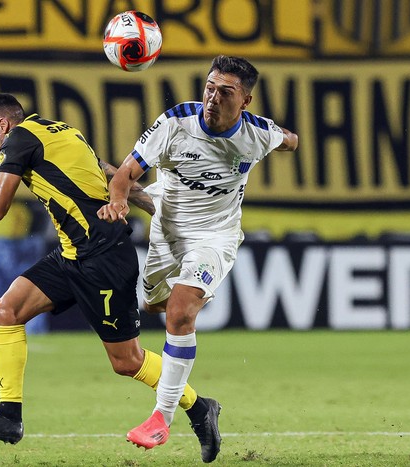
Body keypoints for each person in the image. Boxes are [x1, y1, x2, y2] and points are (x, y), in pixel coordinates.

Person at [0, 93, 222, 458]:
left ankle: (199, 407)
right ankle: (9, 415)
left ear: (2, 126)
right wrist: (155, 207)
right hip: (72, 254)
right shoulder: (60, 131)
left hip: (102, 258)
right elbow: (111, 175)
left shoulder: (20, 140)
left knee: (127, 361)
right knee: (6, 311)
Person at [98, 55, 299, 462]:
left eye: (226, 92)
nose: (213, 97)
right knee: (153, 305)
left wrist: (287, 138)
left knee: (179, 313)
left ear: (246, 100)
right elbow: (123, 174)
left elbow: (290, 140)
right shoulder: (175, 123)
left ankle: (161, 418)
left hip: (215, 237)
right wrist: (119, 199)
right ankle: (203, 408)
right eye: (209, 86)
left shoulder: (258, 134)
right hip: (167, 229)